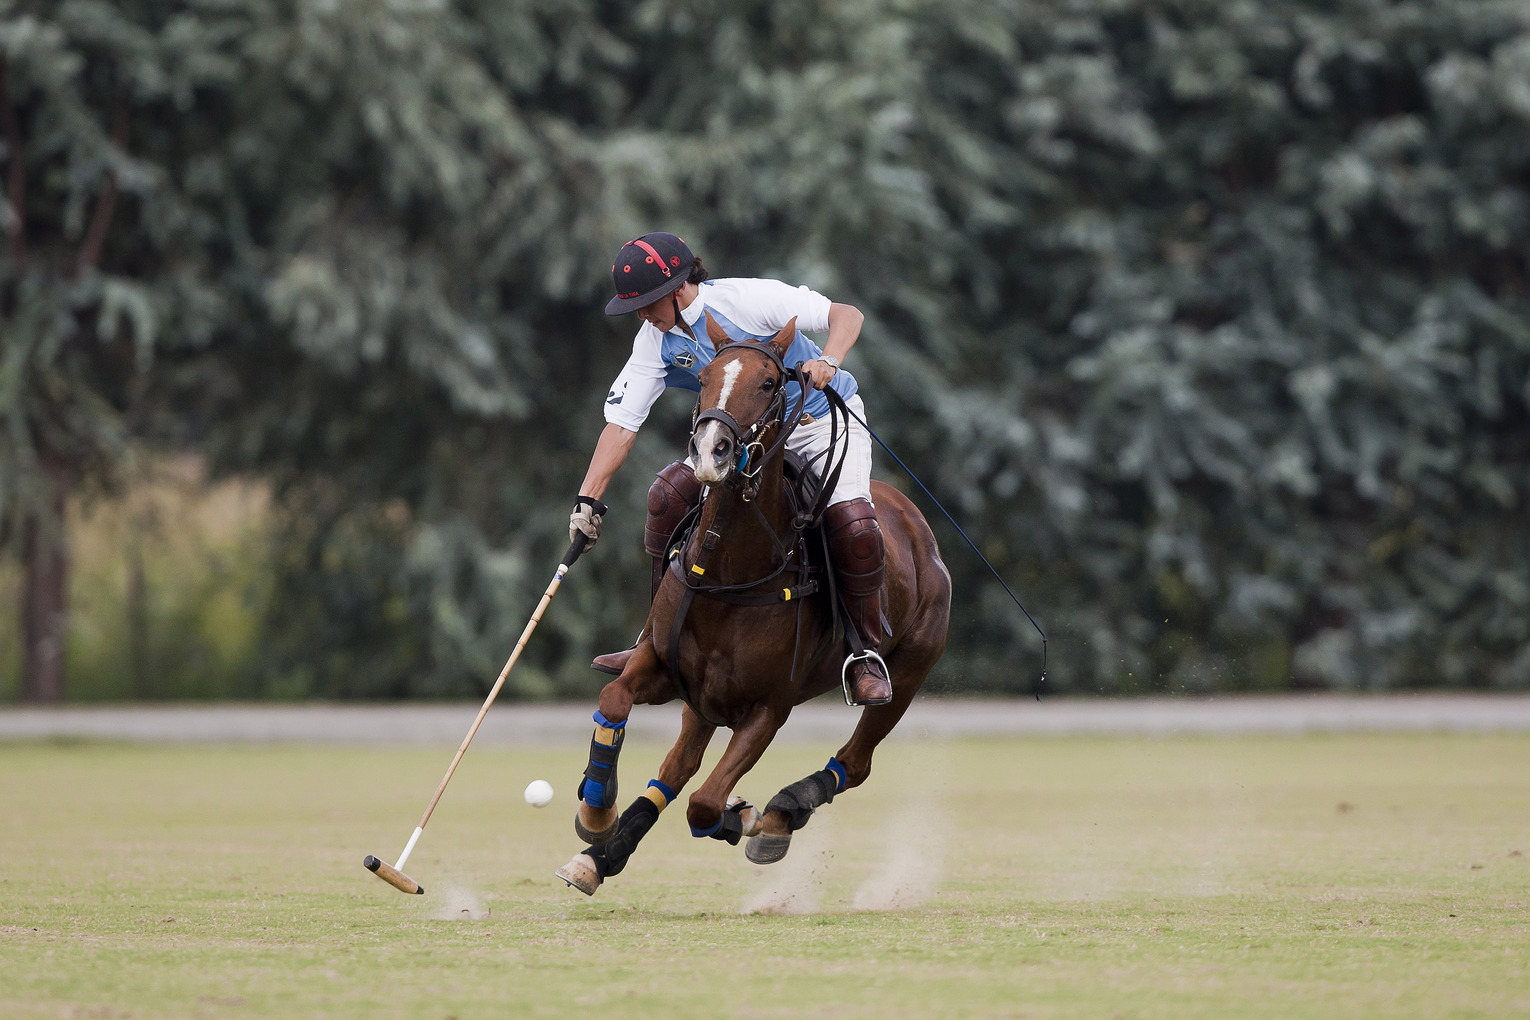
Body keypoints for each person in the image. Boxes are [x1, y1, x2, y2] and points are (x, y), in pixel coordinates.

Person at [569, 232, 891, 705]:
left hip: (816, 422)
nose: (641, 315)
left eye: (647, 303)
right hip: (739, 441)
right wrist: (587, 500)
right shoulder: (653, 342)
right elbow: (621, 426)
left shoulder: (747, 300)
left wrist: (828, 358)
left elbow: (847, 315)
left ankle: (865, 653)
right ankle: (653, 642)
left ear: (678, 289)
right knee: (665, 497)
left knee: (855, 525)